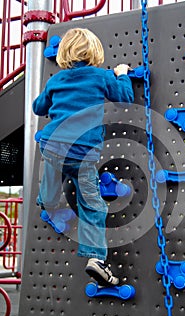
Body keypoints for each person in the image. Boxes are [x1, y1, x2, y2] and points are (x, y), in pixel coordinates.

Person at [32, 27, 134, 286]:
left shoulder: (56, 80)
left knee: (53, 169)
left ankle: (47, 199)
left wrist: (53, 94)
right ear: (95, 53)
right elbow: (125, 98)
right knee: (93, 206)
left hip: (52, 145)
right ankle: (95, 259)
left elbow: (38, 107)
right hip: (81, 154)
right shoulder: (100, 77)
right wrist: (121, 75)